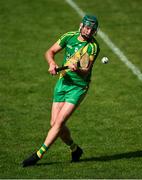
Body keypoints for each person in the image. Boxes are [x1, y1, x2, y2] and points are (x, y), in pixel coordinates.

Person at [22, 15, 100, 167]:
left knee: (59, 122)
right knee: (54, 123)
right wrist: (52, 63)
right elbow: (50, 51)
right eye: (87, 27)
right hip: (63, 82)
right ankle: (75, 149)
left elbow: (85, 71)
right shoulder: (69, 37)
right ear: (81, 26)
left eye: (92, 29)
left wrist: (76, 69)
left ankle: (38, 155)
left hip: (78, 87)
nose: (89, 31)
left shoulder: (93, 47)